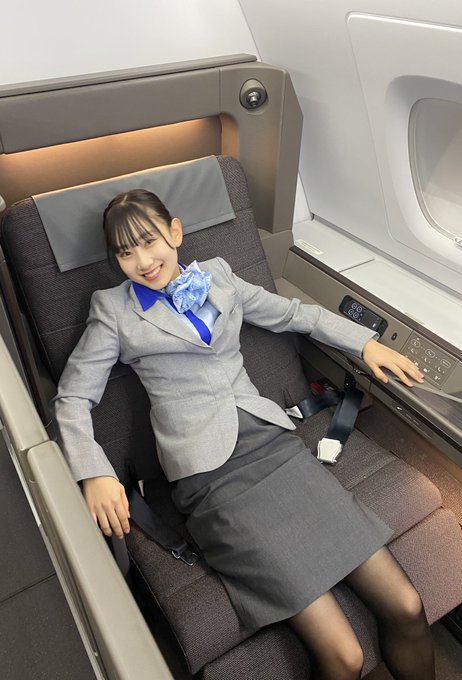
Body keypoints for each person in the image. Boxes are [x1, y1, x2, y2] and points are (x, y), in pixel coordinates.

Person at [54, 189, 435, 680]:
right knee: (345, 657)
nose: (142, 261)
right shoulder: (113, 310)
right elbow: (72, 397)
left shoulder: (218, 276)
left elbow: (293, 314)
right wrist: (94, 472)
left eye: (149, 241)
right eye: (126, 252)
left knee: (406, 606)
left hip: (275, 450)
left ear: (174, 232)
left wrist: (364, 343)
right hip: (211, 478)